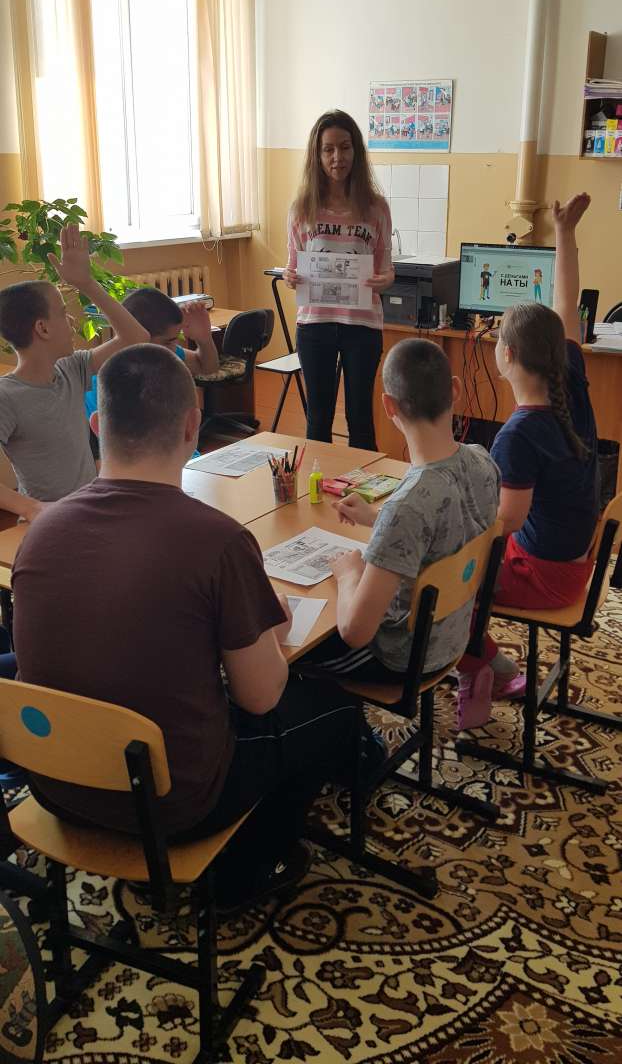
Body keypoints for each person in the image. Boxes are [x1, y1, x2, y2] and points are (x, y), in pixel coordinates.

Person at [12, 344, 372, 912]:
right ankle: (251, 865)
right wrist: (272, 633)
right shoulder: (217, 541)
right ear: (191, 425)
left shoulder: (41, 532)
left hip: (55, 787)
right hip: (173, 806)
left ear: (96, 425)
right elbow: (260, 697)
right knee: (334, 709)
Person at [456, 192, 600, 727]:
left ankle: (482, 670)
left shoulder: (518, 434)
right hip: (573, 561)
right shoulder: (570, 381)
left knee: (444, 583)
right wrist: (564, 231)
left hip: (548, 575)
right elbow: (567, 304)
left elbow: (503, 527)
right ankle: (492, 662)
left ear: (509, 355)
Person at [300, 339, 500, 693]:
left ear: (388, 405)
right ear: (455, 389)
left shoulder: (407, 506)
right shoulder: (482, 459)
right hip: (454, 637)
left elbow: (355, 632)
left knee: (296, 645)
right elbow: (445, 528)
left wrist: (349, 573)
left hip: (402, 658)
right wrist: (377, 518)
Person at [0, 225, 148, 521]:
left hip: (88, 508)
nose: (70, 320)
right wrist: (31, 508)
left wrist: (87, 283)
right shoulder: (7, 396)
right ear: (42, 328)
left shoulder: (70, 369)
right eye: (61, 312)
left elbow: (137, 337)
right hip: (51, 522)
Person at [284, 109, 394, 449]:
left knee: (360, 418)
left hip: (362, 326)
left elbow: (387, 269)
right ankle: (318, 481)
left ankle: (364, 483)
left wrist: (384, 280)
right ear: (317, 156)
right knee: (318, 418)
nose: (337, 157)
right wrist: (290, 276)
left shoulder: (376, 208)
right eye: (328, 149)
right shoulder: (301, 208)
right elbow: (292, 266)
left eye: (345, 148)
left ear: (356, 151)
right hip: (314, 325)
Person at [83, 287, 220, 418]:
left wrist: (204, 339)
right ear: (139, 337)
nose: (174, 348)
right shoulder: (104, 379)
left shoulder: (163, 353)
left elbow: (207, 367)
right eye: (168, 341)